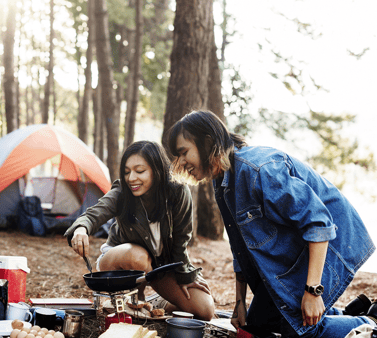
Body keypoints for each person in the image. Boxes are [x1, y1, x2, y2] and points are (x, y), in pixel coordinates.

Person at [168, 110, 376, 337]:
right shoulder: (222, 184)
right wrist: (240, 303)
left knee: (301, 331)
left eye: (183, 152)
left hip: (331, 243)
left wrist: (313, 292)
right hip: (297, 255)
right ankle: (353, 312)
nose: (180, 162)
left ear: (207, 141)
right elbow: (240, 249)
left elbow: (319, 223)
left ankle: (371, 323)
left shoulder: (259, 170)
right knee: (256, 328)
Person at [64, 140, 215, 320]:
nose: (131, 178)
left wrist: (185, 275)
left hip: (157, 268)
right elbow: (94, 213)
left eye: (140, 171)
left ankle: (158, 301)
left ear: (157, 170)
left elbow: (181, 241)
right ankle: (135, 299)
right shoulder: (122, 191)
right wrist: (81, 228)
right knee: (138, 257)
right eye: (127, 172)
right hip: (118, 262)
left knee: (204, 311)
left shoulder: (178, 192)